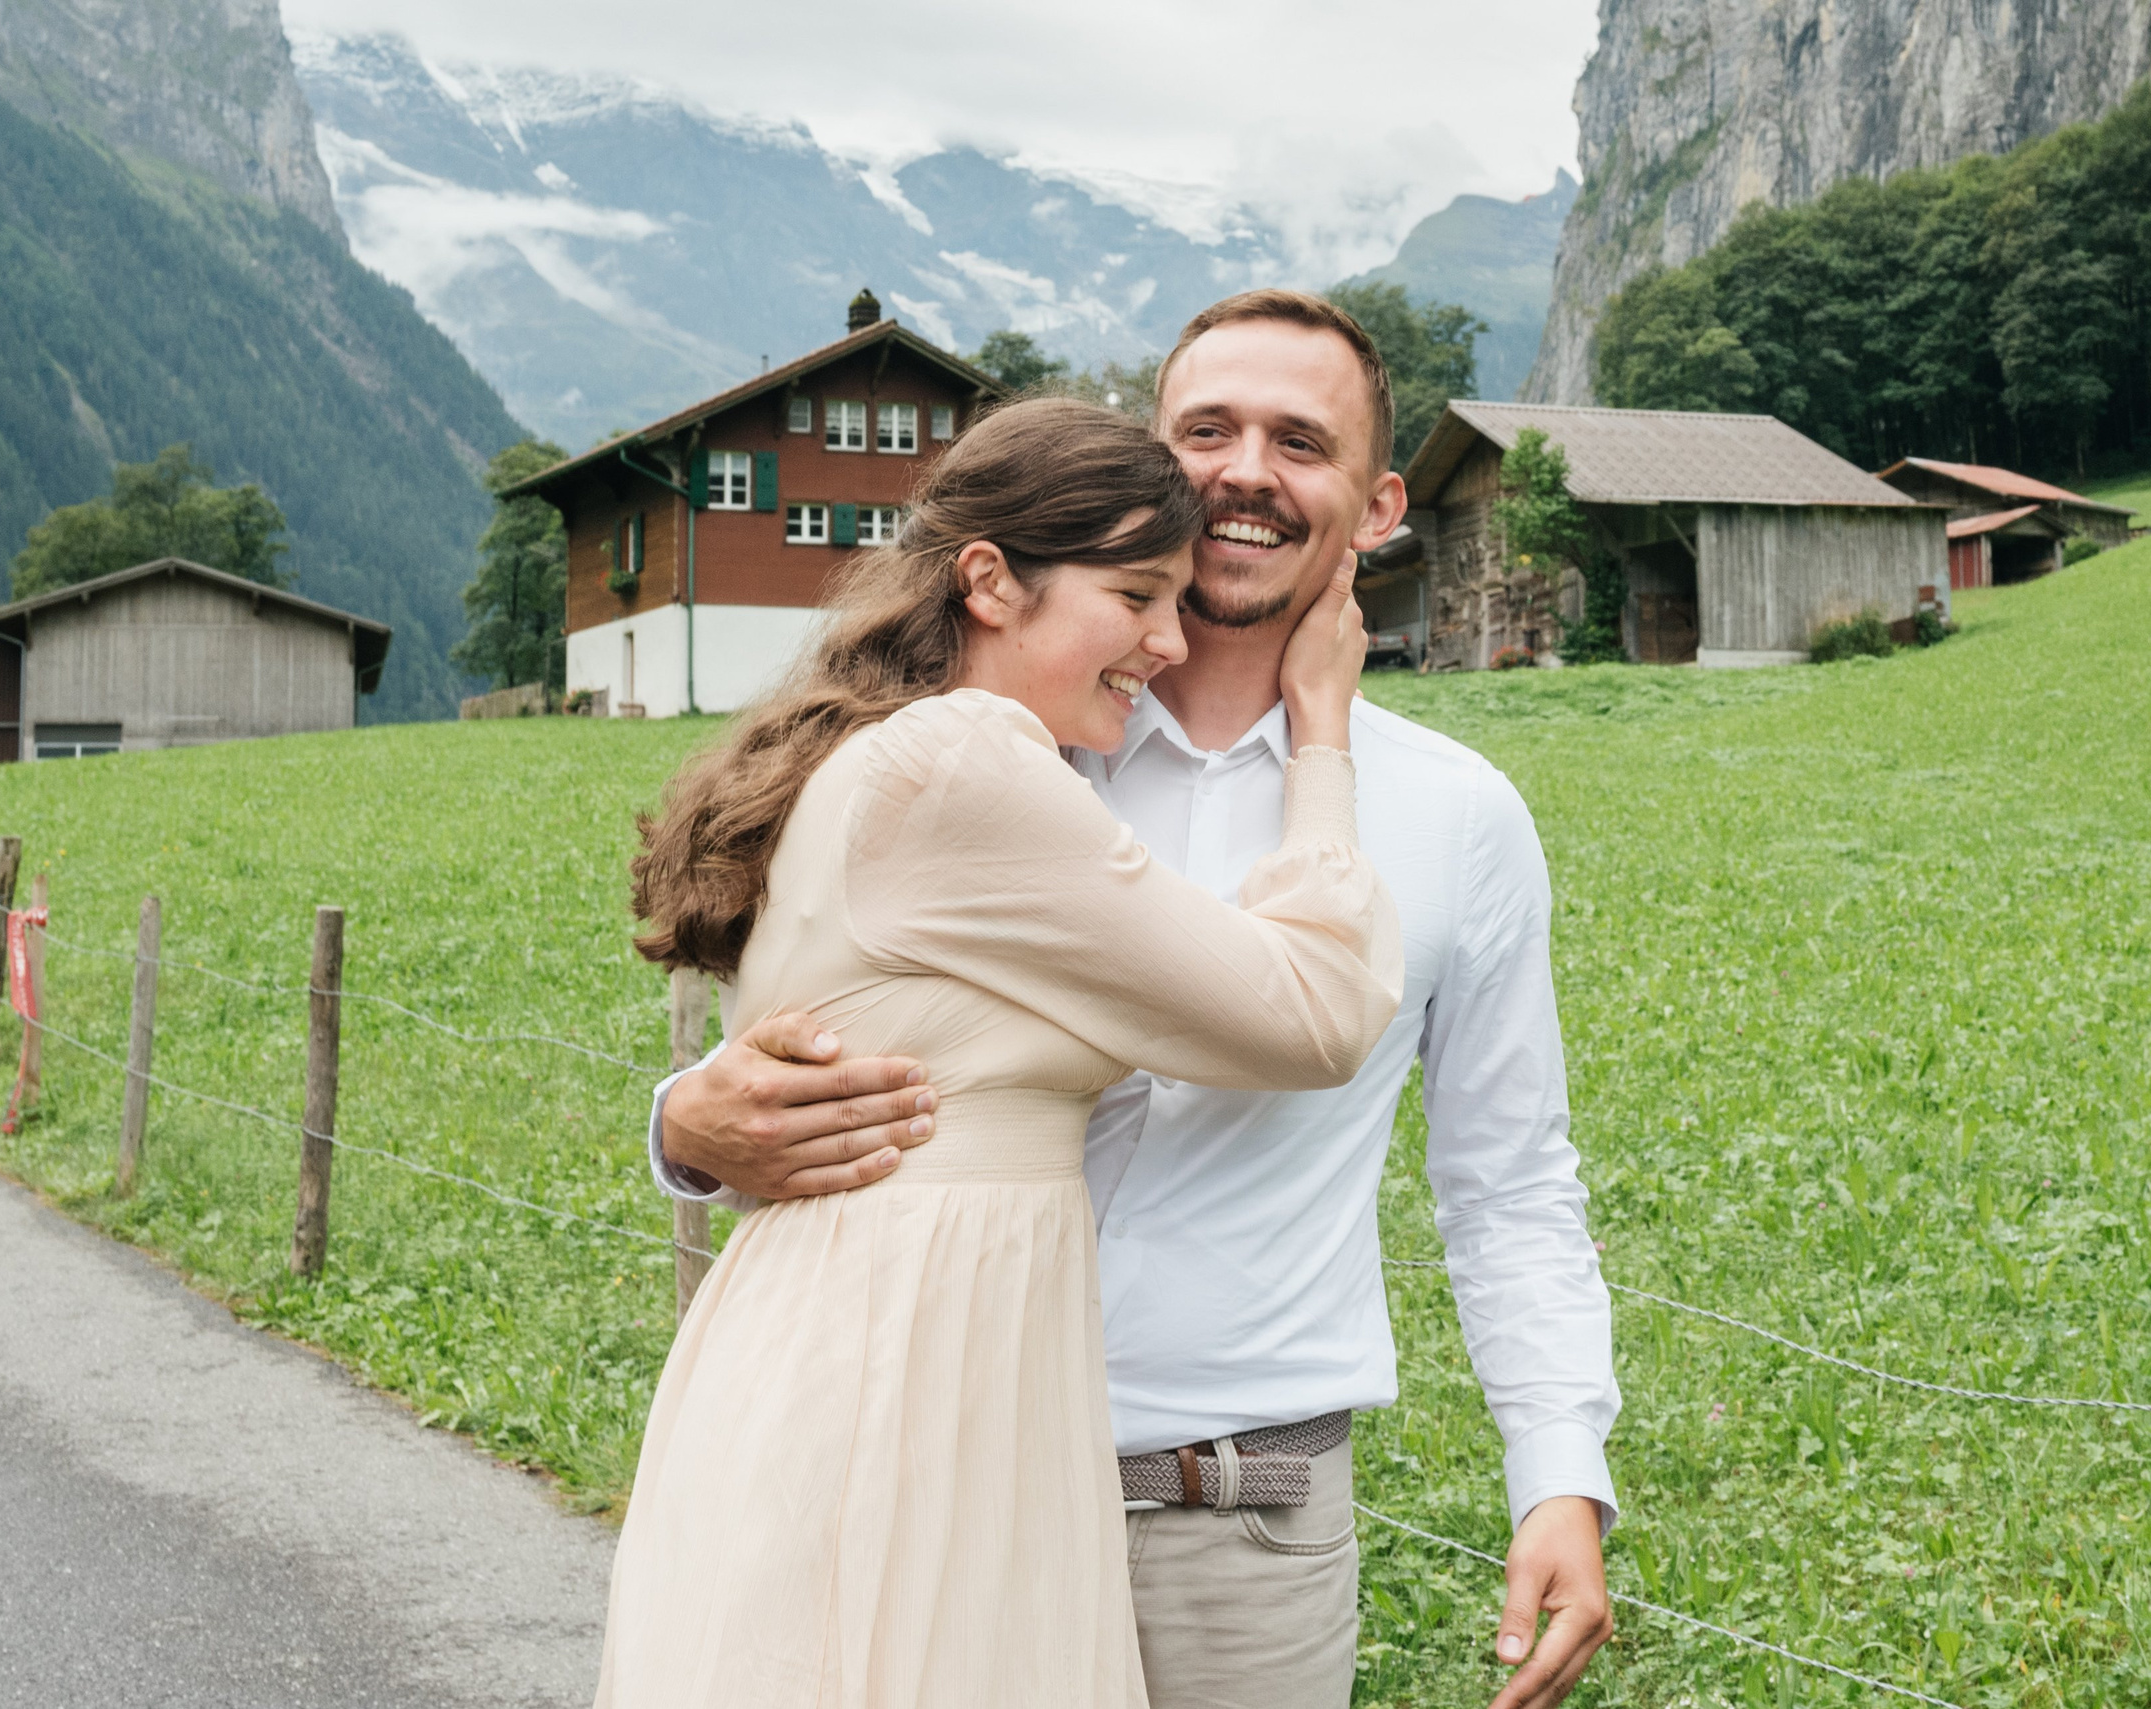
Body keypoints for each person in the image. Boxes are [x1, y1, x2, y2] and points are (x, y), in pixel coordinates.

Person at [654, 292, 1619, 1709]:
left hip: (1241, 1524)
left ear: (1380, 504)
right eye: (1206, 430)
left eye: (1302, 442)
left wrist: (1559, 1473)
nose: (1245, 472)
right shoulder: (1011, 736)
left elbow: (1511, 1178)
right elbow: (817, 1017)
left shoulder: (1461, 819)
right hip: (927, 1474)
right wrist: (687, 1123)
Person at [596, 397, 1401, 1708]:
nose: (1167, 635)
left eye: (1180, 595)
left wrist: (688, 1121)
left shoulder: (905, 752)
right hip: (901, 1375)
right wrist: (1321, 734)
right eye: (1137, 593)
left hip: (890, 1351)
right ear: (990, 581)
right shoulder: (963, 764)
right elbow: (1309, 1012)